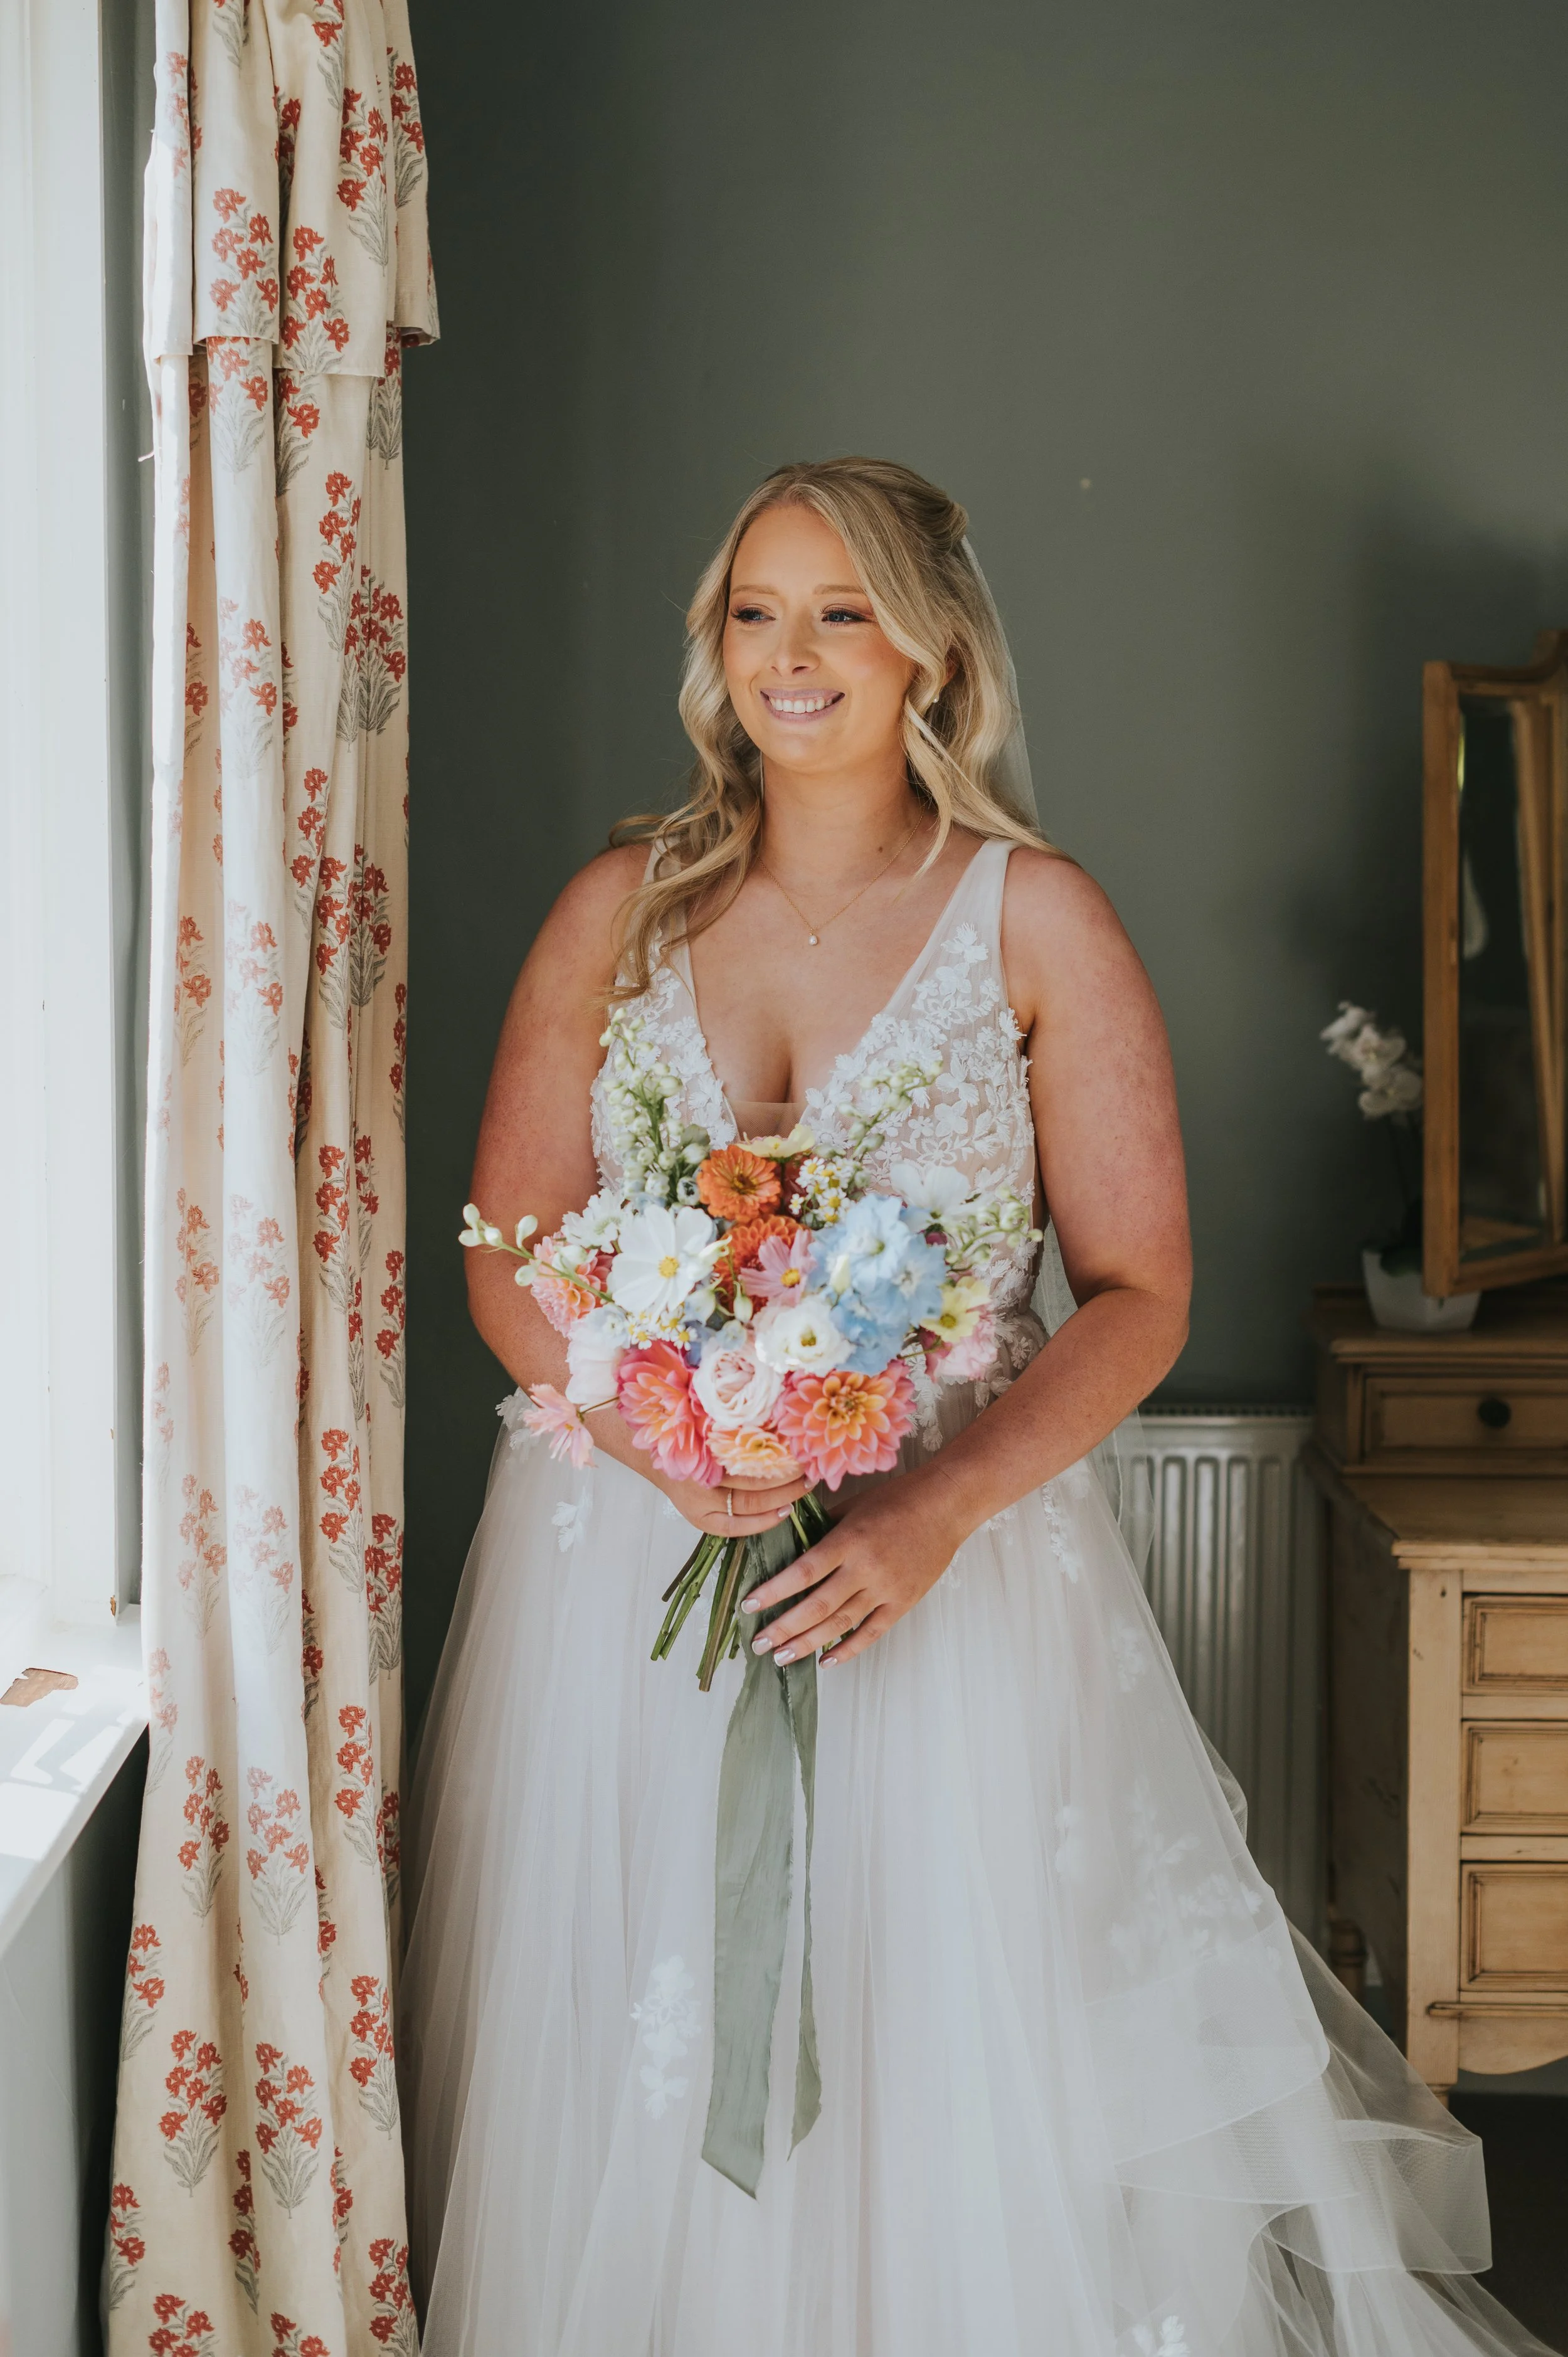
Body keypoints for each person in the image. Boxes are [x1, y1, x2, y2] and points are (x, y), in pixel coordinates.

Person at [400, 458, 1547, 2356]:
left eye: (839, 610)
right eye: (755, 611)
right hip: (627, 1577)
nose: (791, 654)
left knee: (931, 2022)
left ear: (931, 647)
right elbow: (505, 1253)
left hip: (948, 1580)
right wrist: (667, 1442)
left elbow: (1140, 1291)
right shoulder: (617, 907)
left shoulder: (1034, 921)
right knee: (637, 2025)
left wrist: (926, 1513)